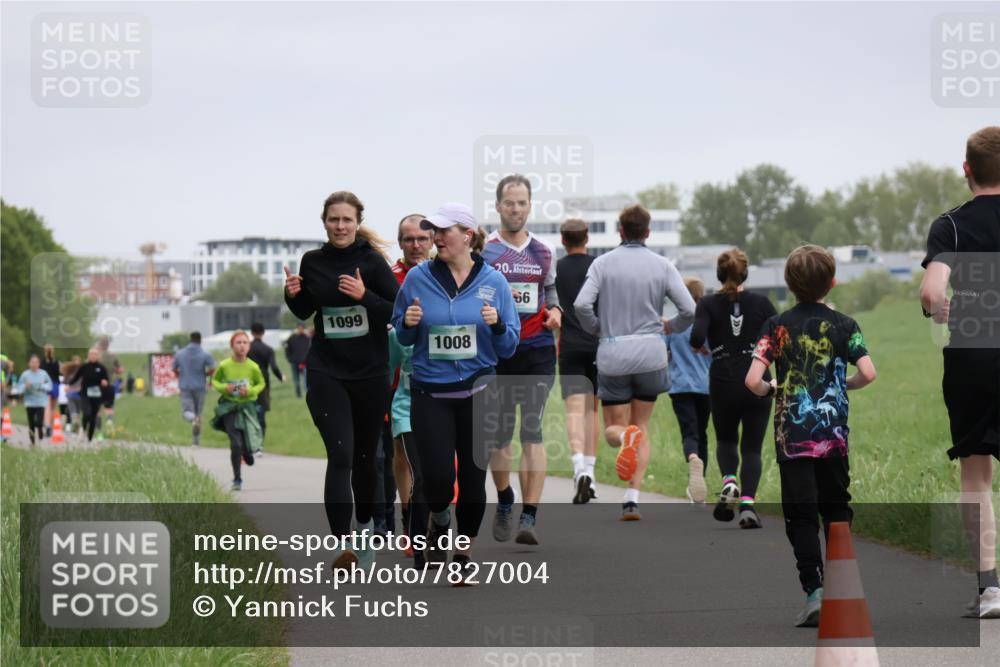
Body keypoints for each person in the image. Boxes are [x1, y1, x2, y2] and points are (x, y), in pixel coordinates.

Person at [745, 244, 876, 627]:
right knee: (836, 509)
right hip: (833, 437)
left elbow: (752, 380)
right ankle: (841, 587)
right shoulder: (846, 325)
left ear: (789, 283)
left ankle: (814, 591)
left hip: (792, 438)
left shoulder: (776, 326)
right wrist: (841, 384)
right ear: (832, 282)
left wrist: (772, 390)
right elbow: (869, 373)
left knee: (800, 515)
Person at [392, 202, 520, 583]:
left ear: (467, 235)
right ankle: (440, 517)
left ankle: (463, 554)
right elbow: (402, 336)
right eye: (433, 230)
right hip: (431, 393)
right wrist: (408, 323)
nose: (436, 238)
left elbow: (509, 346)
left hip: (479, 391)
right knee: (437, 479)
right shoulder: (418, 279)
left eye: (443, 231)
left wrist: (497, 326)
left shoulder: (494, 282)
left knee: (474, 481)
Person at [284, 190, 399, 569]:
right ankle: (341, 543)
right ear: (324, 222)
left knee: (366, 460)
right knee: (341, 454)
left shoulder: (372, 262)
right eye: (334, 219)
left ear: (357, 222)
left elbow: (396, 311)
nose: (340, 225)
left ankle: (364, 528)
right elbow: (305, 310)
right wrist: (292, 295)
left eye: (347, 219)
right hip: (326, 371)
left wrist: (365, 296)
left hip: (370, 373)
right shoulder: (312, 261)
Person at [919, 125, 1000, 619]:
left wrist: (939, 309)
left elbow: (933, 292)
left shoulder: (949, 225)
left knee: (976, 471)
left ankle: (990, 589)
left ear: (967, 169)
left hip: (974, 351)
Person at [575, 204, 696, 521]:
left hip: (614, 354)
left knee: (614, 428)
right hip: (651, 355)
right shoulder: (663, 265)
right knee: (642, 426)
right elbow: (689, 310)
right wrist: (670, 327)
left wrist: (598, 328)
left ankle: (623, 438)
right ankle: (632, 499)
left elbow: (581, 304)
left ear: (620, 231)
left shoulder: (602, 264)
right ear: (648, 232)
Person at [481, 174, 562, 545]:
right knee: (499, 436)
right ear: (498, 205)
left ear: (530, 206)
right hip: (498, 353)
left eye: (522, 203)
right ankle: (504, 498)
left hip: (537, 350)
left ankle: (529, 516)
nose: (516, 209)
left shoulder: (544, 251)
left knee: (533, 429)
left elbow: (550, 288)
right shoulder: (485, 250)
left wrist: (556, 310)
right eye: (509, 203)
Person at [690, 250, 777, 527]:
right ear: (745, 274)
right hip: (757, 379)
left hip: (723, 381)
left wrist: (706, 345)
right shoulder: (762, 303)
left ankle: (729, 482)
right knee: (752, 448)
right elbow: (780, 337)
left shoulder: (707, 304)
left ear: (719, 274)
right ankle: (748, 507)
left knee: (726, 440)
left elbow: (696, 338)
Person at [376, 213, 432, 539]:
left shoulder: (442, 274)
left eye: (422, 239)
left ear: (432, 241)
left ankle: (429, 512)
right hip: (395, 376)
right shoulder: (389, 277)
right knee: (400, 451)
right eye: (409, 239)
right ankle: (408, 512)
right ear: (400, 243)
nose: (416, 245)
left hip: (434, 374)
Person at [554, 218, 601, 504]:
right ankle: (591, 474)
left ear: (563, 240)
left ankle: (578, 468)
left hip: (569, 345)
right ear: (587, 238)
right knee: (592, 411)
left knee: (573, 411)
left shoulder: (556, 269)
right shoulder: (599, 266)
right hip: (597, 345)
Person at [665, 277, 713, 503]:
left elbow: (664, 354)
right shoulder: (709, 325)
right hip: (705, 386)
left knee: (689, 432)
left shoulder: (674, 325)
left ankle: (693, 458)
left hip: (680, 386)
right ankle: (698, 487)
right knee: (702, 433)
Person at [210, 330, 265, 491]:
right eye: (238, 343)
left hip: (247, 407)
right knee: (235, 444)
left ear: (249, 346)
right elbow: (214, 381)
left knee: (246, 445)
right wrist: (225, 388)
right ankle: (237, 479)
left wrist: (250, 391)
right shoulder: (224, 365)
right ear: (232, 346)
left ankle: (247, 453)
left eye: (245, 343)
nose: (242, 346)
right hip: (230, 407)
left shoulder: (253, 367)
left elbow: (261, 384)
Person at [172, 331, 217, 446]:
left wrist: (180, 376)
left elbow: (174, 369)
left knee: (187, 411)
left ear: (190, 339)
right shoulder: (205, 354)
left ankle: (192, 418)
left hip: (185, 386)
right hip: (200, 386)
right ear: (200, 340)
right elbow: (213, 368)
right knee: (198, 413)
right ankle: (195, 442)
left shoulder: (180, 354)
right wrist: (206, 375)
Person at [248, 322, 285, 449]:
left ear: (251, 333)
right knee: (261, 413)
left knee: (249, 411)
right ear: (263, 333)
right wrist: (281, 377)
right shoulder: (268, 349)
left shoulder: (247, 348)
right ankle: (259, 444)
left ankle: (249, 441)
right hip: (263, 382)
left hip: (249, 382)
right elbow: (274, 367)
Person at [67, 348, 112, 442]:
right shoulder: (84, 367)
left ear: (98, 356)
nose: (93, 356)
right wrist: (69, 385)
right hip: (85, 394)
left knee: (94, 416)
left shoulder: (101, 368)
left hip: (97, 395)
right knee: (87, 413)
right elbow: (76, 377)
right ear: (88, 356)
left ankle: (90, 437)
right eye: (91, 354)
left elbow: (106, 381)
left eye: (95, 354)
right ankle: (83, 430)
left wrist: (105, 382)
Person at [16, 354, 53, 446]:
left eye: (36, 362)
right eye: (32, 362)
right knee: (31, 423)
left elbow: (50, 386)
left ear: (39, 364)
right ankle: (32, 443)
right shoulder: (25, 374)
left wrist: (42, 386)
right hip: (29, 402)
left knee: (39, 422)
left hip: (41, 401)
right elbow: (19, 388)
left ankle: (40, 431)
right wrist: (25, 386)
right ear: (29, 364)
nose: (34, 364)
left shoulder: (43, 373)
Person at [95, 336, 122, 438]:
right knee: (109, 407)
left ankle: (98, 431)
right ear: (108, 345)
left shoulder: (96, 356)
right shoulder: (113, 356)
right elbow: (120, 370)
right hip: (110, 385)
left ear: (100, 344)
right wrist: (114, 371)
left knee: (97, 409)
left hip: (97, 386)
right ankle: (109, 421)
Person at [284, 323, 311, 398]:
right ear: (297, 328)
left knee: (305, 379)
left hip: (304, 362)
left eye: (302, 328)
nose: (300, 330)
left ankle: (307, 394)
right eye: (299, 328)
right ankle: (298, 394)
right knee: (296, 380)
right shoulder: (292, 338)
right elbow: (287, 349)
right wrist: (289, 358)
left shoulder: (307, 338)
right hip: (294, 362)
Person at [41, 344, 61, 437]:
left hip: (47, 384)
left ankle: (47, 425)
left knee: (47, 407)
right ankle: (52, 427)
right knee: (53, 408)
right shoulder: (56, 362)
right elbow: (59, 373)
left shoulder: (42, 362)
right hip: (55, 384)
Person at [61, 356, 82, 434]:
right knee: (76, 411)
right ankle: (75, 427)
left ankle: (75, 427)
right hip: (75, 394)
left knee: (74, 412)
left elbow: (64, 383)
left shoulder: (70, 372)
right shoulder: (80, 373)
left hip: (74, 394)